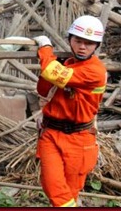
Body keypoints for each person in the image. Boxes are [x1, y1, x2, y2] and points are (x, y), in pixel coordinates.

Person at [33, 15, 107, 207]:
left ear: (96, 46)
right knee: (53, 186)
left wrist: (45, 49)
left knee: (70, 192)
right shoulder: (67, 64)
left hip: (79, 138)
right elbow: (42, 89)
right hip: (51, 134)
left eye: (89, 43)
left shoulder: (95, 71)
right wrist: (54, 64)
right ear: (70, 40)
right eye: (78, 41)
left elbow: (52, 72)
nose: (83, 47)